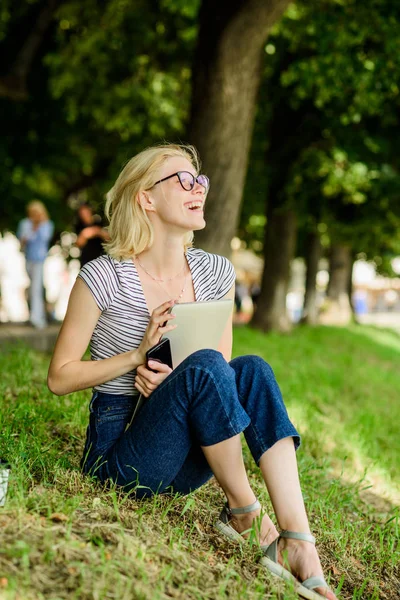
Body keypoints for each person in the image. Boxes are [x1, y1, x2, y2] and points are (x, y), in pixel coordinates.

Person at [47, 144, 337, 600]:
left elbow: (216, 371)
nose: (198, 188)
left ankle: (298, 540)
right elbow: (58, 377)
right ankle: (245, 514)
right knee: (206, 368)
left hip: (191, 457)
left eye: (200, 180)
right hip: (121, 458)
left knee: (252, 370)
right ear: (146, 197)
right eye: (183, 180)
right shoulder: (103, 277)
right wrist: (133, 359)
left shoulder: (214, 270)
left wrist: (168, 383)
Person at [17, 201, 54, 329]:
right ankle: (37, 316)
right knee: (32, 288)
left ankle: (37, 318)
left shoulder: (47, 224)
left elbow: (45, 238)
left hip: (39, 260)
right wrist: (33, 227)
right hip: (28, 259)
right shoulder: (25, 224)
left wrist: (39, 226)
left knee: (36, 288)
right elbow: (22, 241)